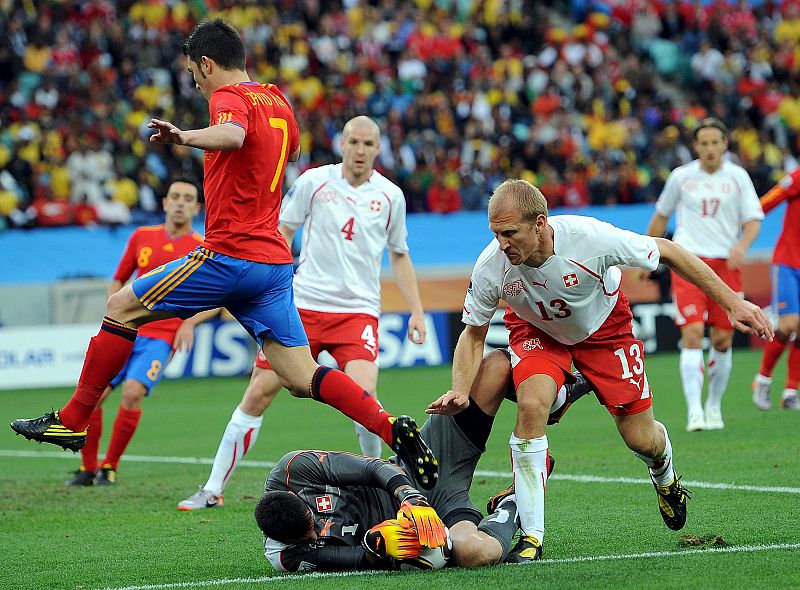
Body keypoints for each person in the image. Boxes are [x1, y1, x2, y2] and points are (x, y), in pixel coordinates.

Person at [10, 19, 438, 491]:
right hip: (273, 267)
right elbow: (287, 149)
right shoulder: (279, 101)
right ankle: (388, 426)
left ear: (208, 64)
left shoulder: (226, 97)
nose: (194, 81)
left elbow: (232, 135)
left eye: (194, 72)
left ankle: (72, 420)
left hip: (229, 256)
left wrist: (184, 137)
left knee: (119, 308)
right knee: (300, 375)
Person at [430, 179, 772, 563]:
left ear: (540, 223)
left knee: (641, 440)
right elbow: (473, 334)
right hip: (538, 332)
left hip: (606, 332)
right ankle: (531, 536)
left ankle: (664, 474)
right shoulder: (492, 266)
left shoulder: (591, 239)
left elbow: (670, 251)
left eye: (510, 233)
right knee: (531, 404)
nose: (502, 243)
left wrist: (731, 303)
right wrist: (460, 388)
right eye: (495, 233)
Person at [178, 115, 427, 510]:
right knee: (258, 392)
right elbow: (283, 233)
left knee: (366, 396)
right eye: (353, 142)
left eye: (368, 144)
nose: (359, 151)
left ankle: (381, 482)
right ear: (340, 143)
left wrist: (416, 311)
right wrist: (265, 291)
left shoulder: (391, 196)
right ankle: (212, 488)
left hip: (358, 311)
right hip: (303, 306)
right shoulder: (314, 182)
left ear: (378, 149)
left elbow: (399, 255)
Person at [254, 349, 593, 571]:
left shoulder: (293, 470)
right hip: (427, 522)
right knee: (475, 553)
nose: (316, 537)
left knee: (495, 368)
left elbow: (373, 467)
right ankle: (512, 503)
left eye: (313, 527)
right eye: (309, 539)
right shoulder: (287, 556)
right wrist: (382, 549)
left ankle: (558, 396)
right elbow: (360, 559)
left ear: (302, 502)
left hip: (418, 471)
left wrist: (410, 497)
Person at [66, 178, 215, 486]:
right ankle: (88, 467)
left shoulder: (202, 248)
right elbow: (118, 280)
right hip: (125, 330)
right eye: (175, 196)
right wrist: (110, 317)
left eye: (188, 199)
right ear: (164, 202)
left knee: (133, 392)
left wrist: (188, 322)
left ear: (196, 207)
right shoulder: (141, 236)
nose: (180, 203)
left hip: (161, 336)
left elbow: (218, 300)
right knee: (94, 397)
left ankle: (110, 466)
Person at [644, 118, 764, 431]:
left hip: (726, 266)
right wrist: (646, 255)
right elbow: (661, 216)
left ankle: (713, 406)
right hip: (688, 262)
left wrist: (742, 245)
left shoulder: (738, 178)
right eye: (704, 143)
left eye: (715, 142)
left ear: (725, 144)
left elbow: (753, 220)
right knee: (693, 333)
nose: (710, 148)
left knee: (723, 339)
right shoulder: (681, 177)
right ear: (696, 146)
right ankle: (694, 410)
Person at [752, 169, 800, 411]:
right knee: (789, 324)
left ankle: (790, 392)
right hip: (789, 263)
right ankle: (763, 379)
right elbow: (771, 199)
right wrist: (747, 219)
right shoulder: (798, 176)